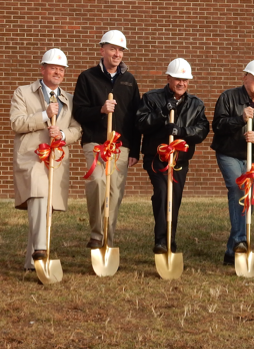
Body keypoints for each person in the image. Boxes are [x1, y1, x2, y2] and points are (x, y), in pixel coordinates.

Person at [10, 49, 82, 270]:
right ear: (43, 69)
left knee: (43, 207)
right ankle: (41, 251)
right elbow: (17, 123)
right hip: (32, 157)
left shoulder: (69, 99)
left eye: (61, 69)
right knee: (40, 197)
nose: (58, 72)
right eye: (53, 68)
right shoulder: (23, 93)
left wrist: (62, 135)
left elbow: (77, 130)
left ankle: (32, 261)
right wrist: (43, 115)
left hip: (55, 160)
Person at [73, 30, 141, 249]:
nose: (117, 54)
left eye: (121, 50)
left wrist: (135, 149)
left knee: (114, 194)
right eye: (113, 49)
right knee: (97, 181)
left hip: (121, 145)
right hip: (95, 142)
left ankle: (106, 243)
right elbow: (79, 112)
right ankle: (96, 233)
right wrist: (100, 110)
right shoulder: (87, 77)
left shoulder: (129, 81)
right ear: (102, 50)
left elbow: (135, 118)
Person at [136, 58, 209, 254]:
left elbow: (202, 130)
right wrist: (161, 115)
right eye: (177, 79)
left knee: (173, 198)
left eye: (185, 80)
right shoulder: (152, 98)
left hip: (179, 161)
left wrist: (181, 131)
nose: (181, 83)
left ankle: (170, 239)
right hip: (157, 158)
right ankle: (161, 240)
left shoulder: (196, 104)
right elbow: (141, 123)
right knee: (162, 192)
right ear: (168, 78)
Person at [211, 59, 254, 265]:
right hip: (229, 153)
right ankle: (241, 239)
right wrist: (240, 119)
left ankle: (233, 251)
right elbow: (218, 126)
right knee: (238, 189)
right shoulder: (228, 97)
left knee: (249, 198)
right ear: (245, 77)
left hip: (252, 156)